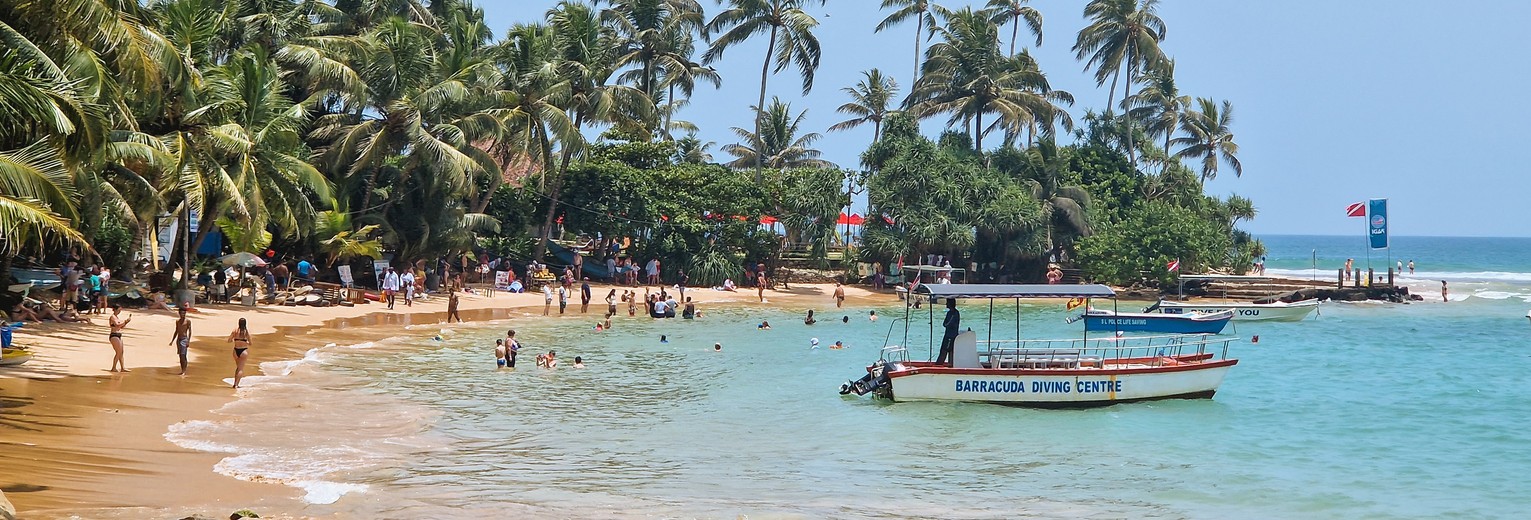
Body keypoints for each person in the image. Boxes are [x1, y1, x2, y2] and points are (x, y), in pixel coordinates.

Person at [226, 318, 252, 388]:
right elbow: (250, 343)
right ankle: (236, 384)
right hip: (243, 351)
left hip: (235, 350)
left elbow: (229, 340)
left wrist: (236, 340)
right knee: (240, 368)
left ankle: (235, 384)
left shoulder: (235, 331)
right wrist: (245, 342)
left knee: (238, 368)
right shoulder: (246, 332)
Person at [107, 304, 132, 372]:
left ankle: (122, 367)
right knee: (118, 352)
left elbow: (120, 326)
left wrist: (126, 322)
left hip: (118, 334)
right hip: (114, 335)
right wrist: (125, 321)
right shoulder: (112, 317)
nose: (119, 311)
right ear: (115, 309)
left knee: (121, 352)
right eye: (119, 310)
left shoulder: (117, 317)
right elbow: (117, 325)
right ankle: (113, 367)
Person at [169, 305, 191, 375]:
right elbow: (176, 331)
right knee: (180, 356)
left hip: (184, 339)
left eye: (184, 313)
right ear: (179, 313)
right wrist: (172, 340)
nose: (183, 315)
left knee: (183, 355)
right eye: (181, 313)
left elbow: (190, 331)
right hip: (178, 339)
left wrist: (188, 341)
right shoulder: (177, 321)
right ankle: (182, 370)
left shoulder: (188, 321)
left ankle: (184, 370)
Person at [937, 298, 960, 366]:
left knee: (945, 350)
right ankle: (948, 364)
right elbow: (944, 323)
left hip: (951, 335)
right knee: (945, 349)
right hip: (947, 334)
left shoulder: (954, 313)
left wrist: (946, 324)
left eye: (947, 303)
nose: (946, 304)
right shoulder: (949, 313)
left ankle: (940, 364)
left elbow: (947, 324)